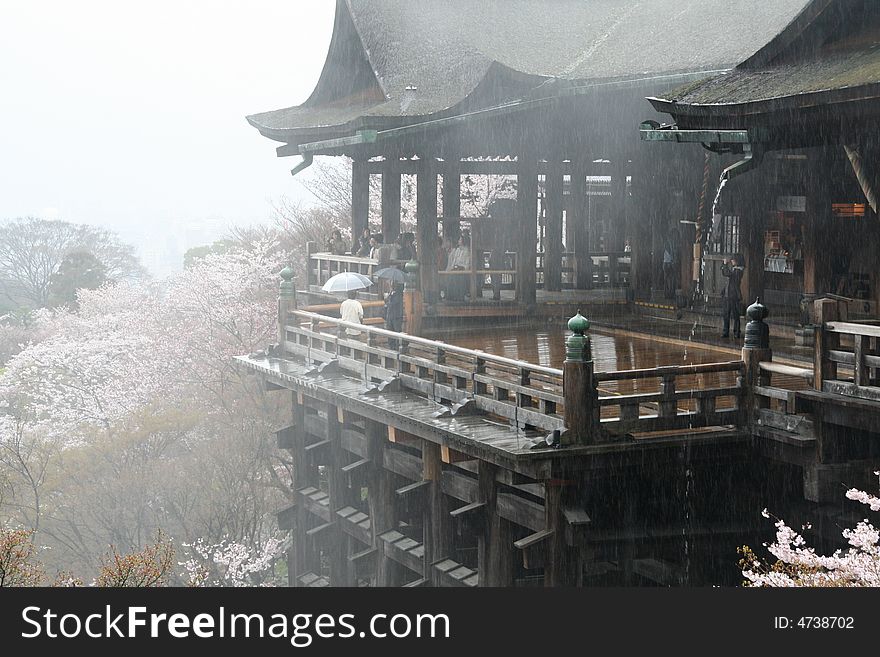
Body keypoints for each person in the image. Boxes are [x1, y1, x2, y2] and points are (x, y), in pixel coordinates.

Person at [720, 254, 744, 339]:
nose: (732, 261)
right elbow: (725, 273)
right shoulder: (734, 269)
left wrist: (725, 264)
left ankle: (736, 332)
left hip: (733, 295)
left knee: (735, 314)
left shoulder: (738, 270)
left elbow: (728, 274)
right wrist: (724, 265)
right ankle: (725, 331)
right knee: (726, 314)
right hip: (728, 294)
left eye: (734, 260)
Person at [444, 233, 471, 301]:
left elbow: (467, 262)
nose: (458, 241)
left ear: (463, 241)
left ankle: (459, 296)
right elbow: (454, 260)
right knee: (450, 279)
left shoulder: (466, 250)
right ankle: (451, 296)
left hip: (462, 269)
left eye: (460, 240)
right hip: (455, 268)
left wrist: (465, 269)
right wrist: (451, 268)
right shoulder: (457, 250)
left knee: (459, 281)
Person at [383, 282, 404, 348]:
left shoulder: (398, 294)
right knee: (390, 332)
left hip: (396, 317)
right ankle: (391, 346)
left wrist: (388, 299)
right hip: (390, 316)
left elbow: (393, 304)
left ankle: (397, 347)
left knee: (396, 332)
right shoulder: (391, 293)